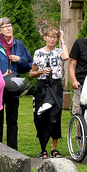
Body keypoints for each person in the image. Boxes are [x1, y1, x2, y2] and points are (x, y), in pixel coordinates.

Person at [0, 17, 32, 151]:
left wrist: (19, 60)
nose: (9, 28)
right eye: (5, 26)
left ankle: (12, 150)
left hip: (13, 88)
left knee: (12, 120)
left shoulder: (18, 44)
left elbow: (29, 65)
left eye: (10, 25)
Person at [30, 28, 69, 158]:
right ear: (45, 37)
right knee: (42, 116)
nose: (52, 39)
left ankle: (54, 149)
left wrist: (63, 40)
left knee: (55, 116)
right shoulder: (38, 52)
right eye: (50, 37)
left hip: (56, 85)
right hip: (42, 86)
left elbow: (66, 57)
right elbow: (31, 73)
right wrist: (41, 71)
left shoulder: (59, 51)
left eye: (55, 37)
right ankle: (43, 149)